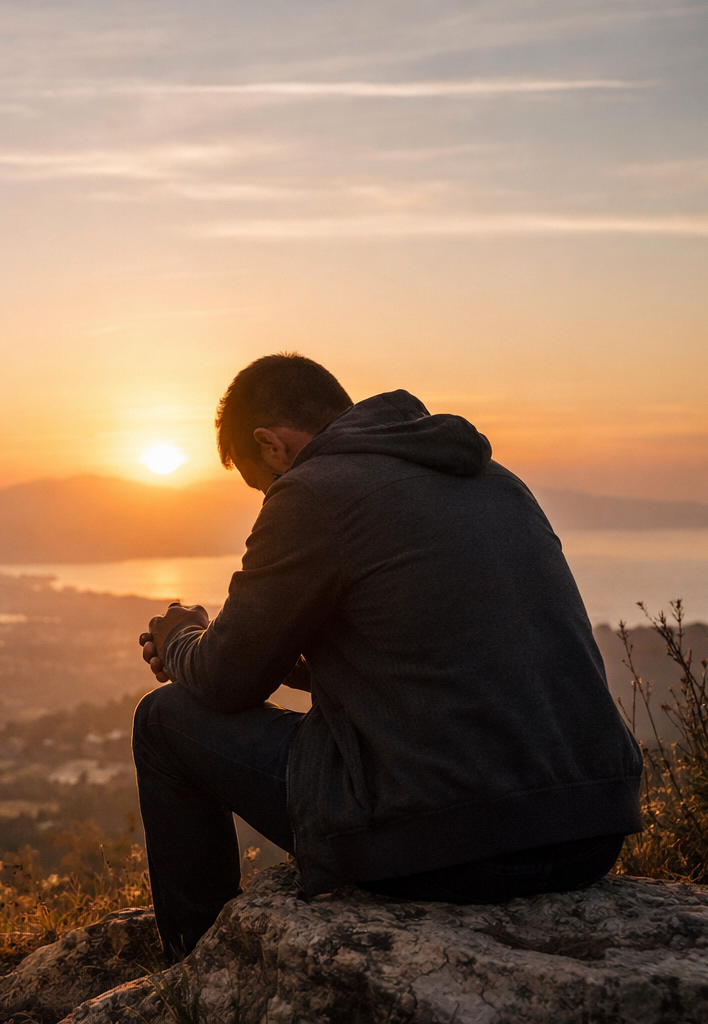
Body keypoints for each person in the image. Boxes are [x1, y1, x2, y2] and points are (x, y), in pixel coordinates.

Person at [133, 353, 643, 961]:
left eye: (261, 485)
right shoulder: (496, 480)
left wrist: (184, 640)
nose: (268, 498)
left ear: (270, 445)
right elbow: (410, 658)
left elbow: (225, 680)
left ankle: (198, 969)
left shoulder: (313, 491)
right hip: (590, 827)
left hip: (449, 843)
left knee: (165, 720)